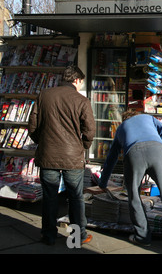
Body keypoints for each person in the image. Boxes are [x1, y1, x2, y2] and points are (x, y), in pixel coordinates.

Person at [98, 110, 162, 247]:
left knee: (134, 196)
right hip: (157, 151)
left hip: (133, 154)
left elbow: (111, 157)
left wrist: (102, 182)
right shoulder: (147, 117)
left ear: (125, 119)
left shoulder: (120, 128)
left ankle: (142, 237)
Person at [28, 65, 95, 246]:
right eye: (81, 82)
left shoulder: (44, 95)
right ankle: (76, 237)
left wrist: (42, 142)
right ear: (77, 80)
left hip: (48, 153)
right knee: (75, 197)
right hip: (72, 156)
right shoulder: (82, 101)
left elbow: (33, 125)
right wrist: (83, 146)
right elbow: (89, 131)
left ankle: (48, 235)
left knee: (49, 196)